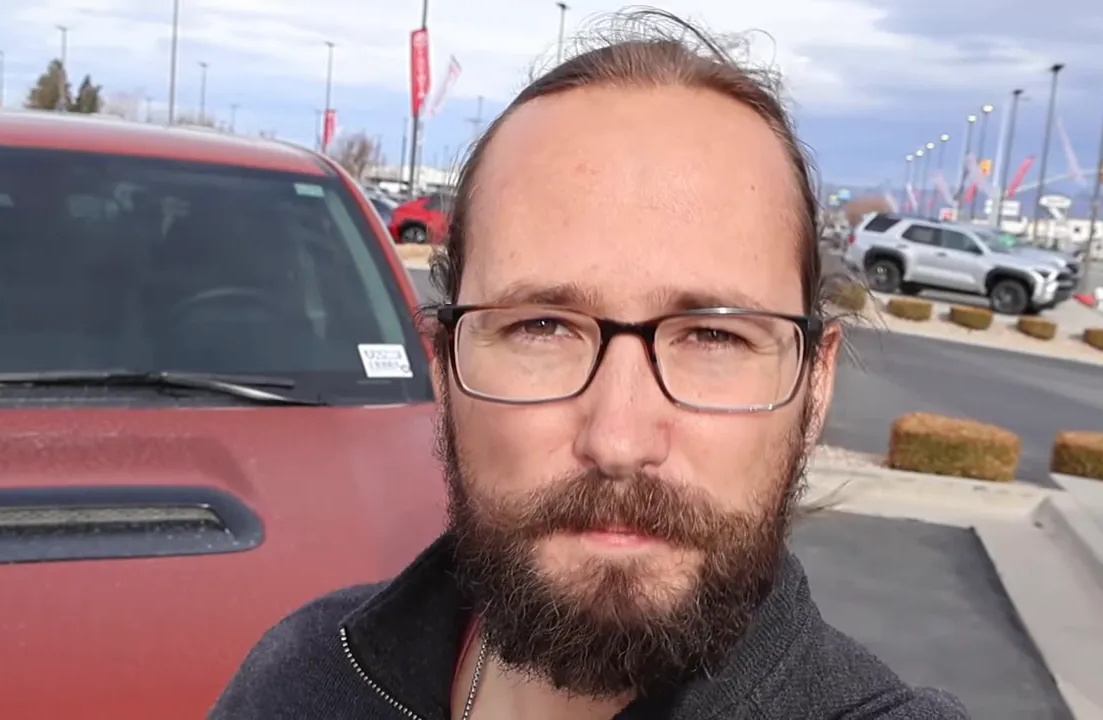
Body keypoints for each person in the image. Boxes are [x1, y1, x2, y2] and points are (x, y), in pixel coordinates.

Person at [208, 9, 970, 720]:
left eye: (713, 336)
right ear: (444, 372)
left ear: (816, 385)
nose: (618, 438)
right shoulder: (301, 676)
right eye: (542, 326)